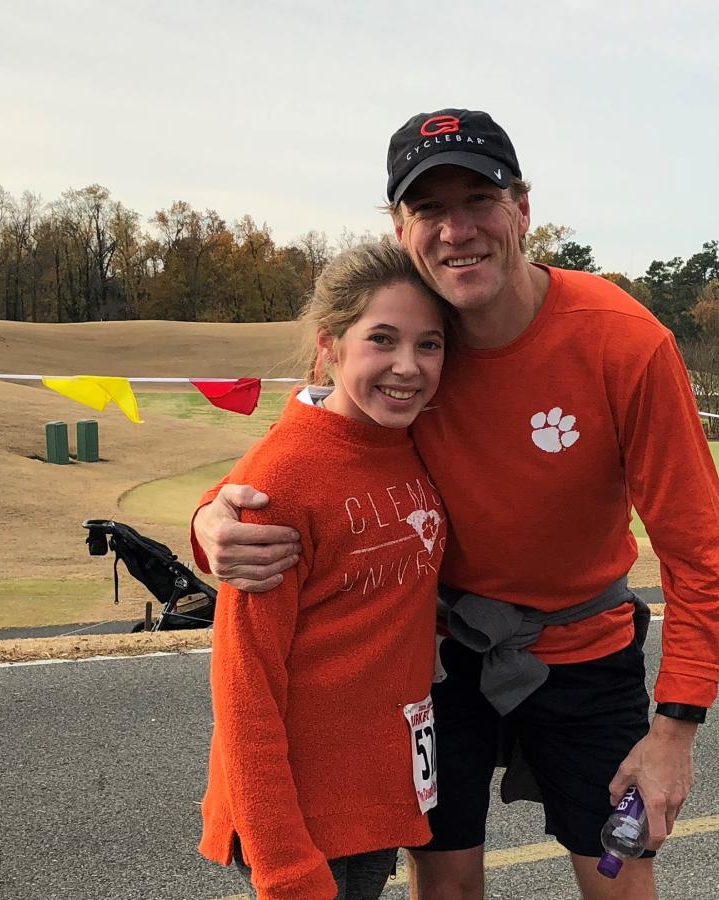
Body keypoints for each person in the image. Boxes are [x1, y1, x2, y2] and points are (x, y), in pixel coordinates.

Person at [194, 109, 719, 900]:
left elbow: (699, 554)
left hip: (584, 652)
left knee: (621, 879)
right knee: (444, 886)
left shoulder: (624, 342)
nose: (458, 231)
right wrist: (214, 516)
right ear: (400, 226)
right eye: (429, 210)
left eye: (479, 200)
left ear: (521, 209)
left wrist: (674, 733)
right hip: (437, 658)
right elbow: (314, 443)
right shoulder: (412, 331)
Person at [197, 240, 452, 900]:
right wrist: (281, 861)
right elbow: (243, 681)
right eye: (383, 340)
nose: (408, 366)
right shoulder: (278, 483)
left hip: (378, 795)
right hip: (298, 817)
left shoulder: (411, 441)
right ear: (330, 346)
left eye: (429, 344)